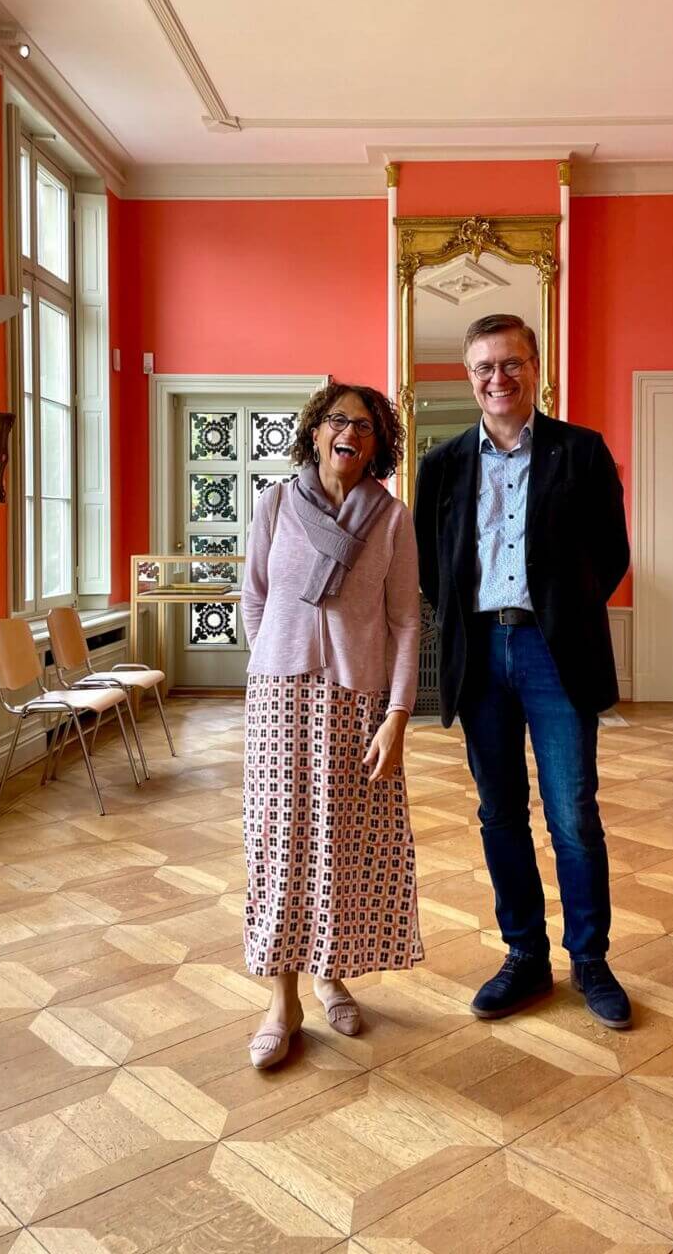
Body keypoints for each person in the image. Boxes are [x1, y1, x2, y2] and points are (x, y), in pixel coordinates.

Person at [415, 315, 632, 1028]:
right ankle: (525, 956)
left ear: (536, 367)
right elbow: (432, 565)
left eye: (511, 363)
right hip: (479, 654)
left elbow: (612, 554)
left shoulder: (582, 451)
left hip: (553, 652)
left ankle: (590, 959)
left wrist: (564, 615)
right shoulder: (442, 465)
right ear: (469, 377)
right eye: (484, 367)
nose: (498, 378)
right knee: (499, 812)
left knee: (573, 813)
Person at [240, 381, 423, 1068]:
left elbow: (406, 622)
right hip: (280, 702)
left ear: (379, 444)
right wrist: (275, 661)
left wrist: (396, 717)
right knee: (281, 847)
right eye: (338, 420)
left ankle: (331, 975)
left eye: (366, 425)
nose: (350, 432)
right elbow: (255, 599)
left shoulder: (392, 518)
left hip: (357, 704)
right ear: (315, 431)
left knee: (343, 847)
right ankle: (281, 1000)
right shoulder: (275, 504)